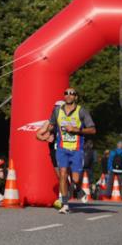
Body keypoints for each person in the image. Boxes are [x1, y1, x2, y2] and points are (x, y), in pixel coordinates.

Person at [35, 86, 95, 214]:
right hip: (62, 148)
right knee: (62, 174)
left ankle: (79, 189)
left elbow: (92, 130)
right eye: (66, 93)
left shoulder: (81, 111)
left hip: (77, 149)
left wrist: (76, 130)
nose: (68, 95)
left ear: (76, 97)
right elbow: (51, 125)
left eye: (72, 93)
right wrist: (46, 134)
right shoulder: (57, 111)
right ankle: (65, 204)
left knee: (76, 179)